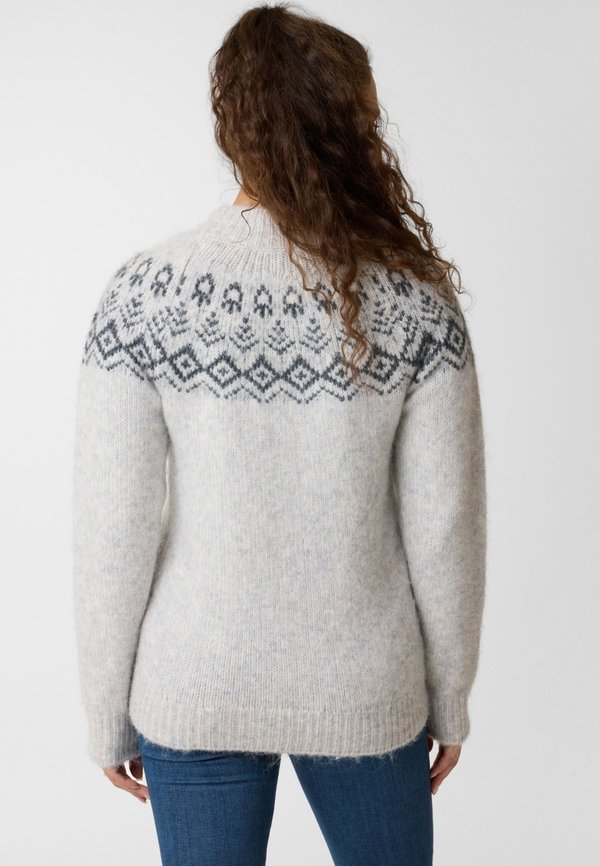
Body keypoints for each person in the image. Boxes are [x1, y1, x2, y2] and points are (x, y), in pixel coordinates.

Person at [71, 3, 487, 865]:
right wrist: (450, 699)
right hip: (365, 688)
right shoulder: (415, 303)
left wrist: (106, 708)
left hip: (197, 683)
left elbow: (112, 522)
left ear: (235, 125)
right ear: (349, 130)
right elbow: (446, 526)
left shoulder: (146, 296)